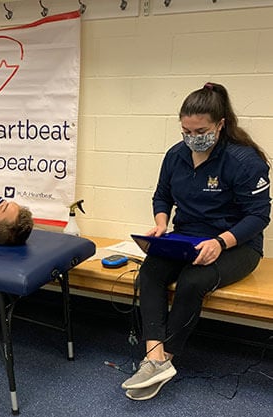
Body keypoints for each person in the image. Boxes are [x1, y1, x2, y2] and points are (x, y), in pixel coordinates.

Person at [121, 82, 270, 401]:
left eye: (200, 130)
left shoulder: (243, 161)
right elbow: (162, 196)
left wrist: (221, 241)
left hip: (237, 245)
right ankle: (154, 359)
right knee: (150, 272)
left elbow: (258, 217)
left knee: (192, 280)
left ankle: (166, 358)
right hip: (185, 237)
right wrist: (161, 224)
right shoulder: (176, 155)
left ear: (220, 125)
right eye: (186, 130)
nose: (192, 137)